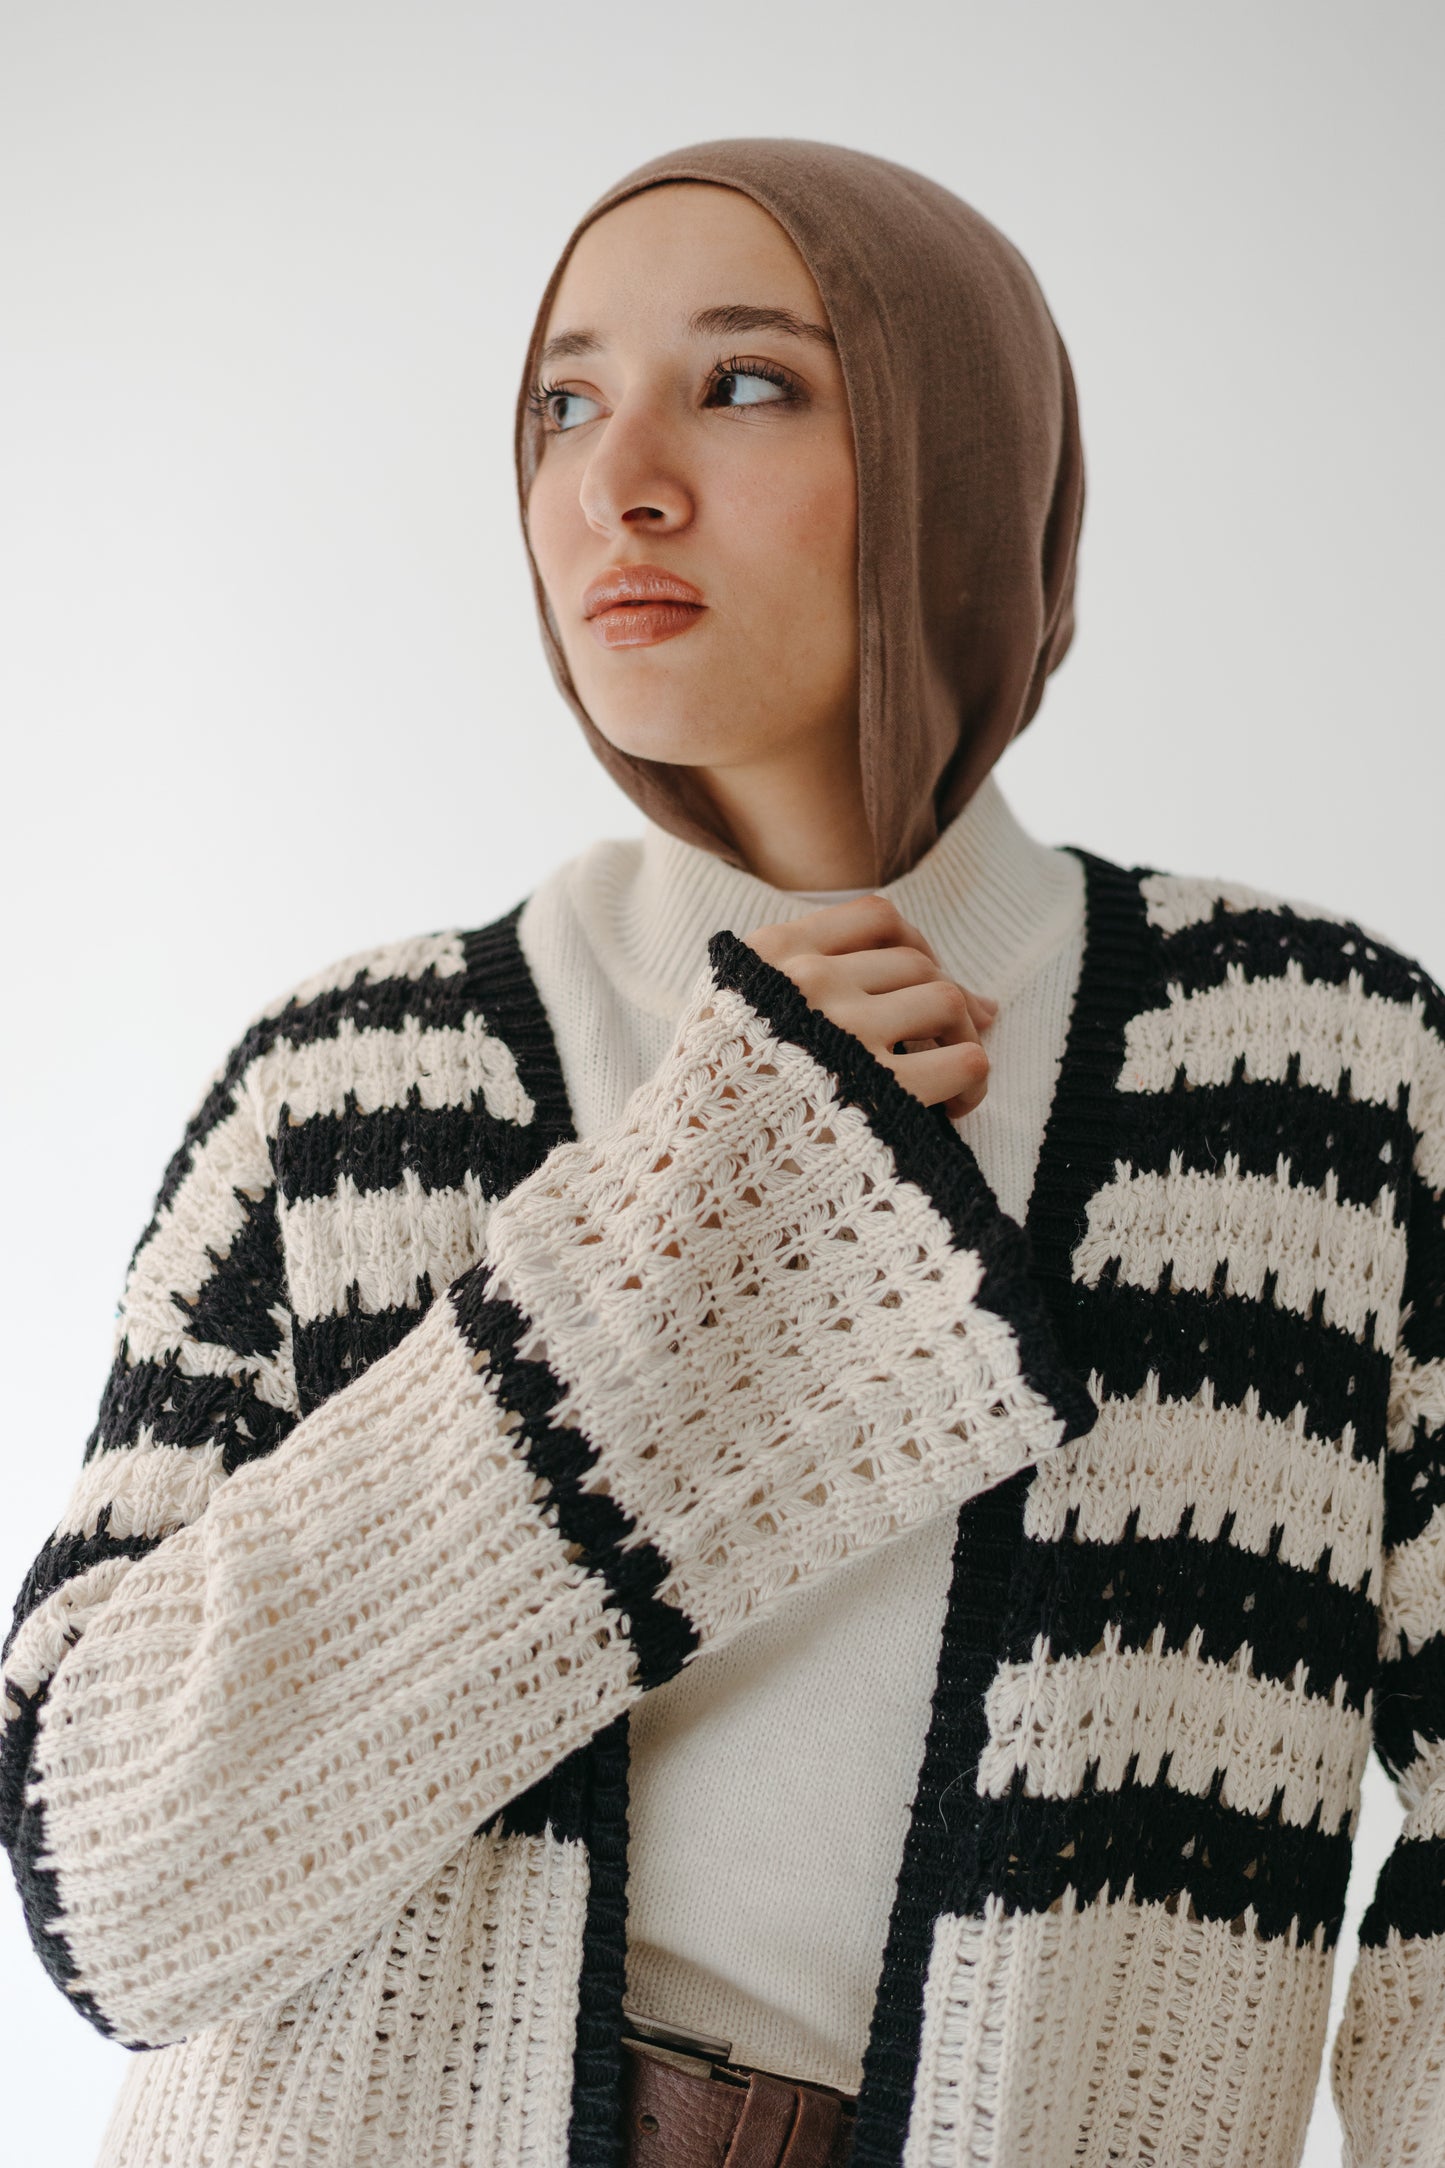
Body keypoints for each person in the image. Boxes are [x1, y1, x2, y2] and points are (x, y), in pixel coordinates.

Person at [1, 137, 1441, 2168]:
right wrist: (688, 1225)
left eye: (745, 383)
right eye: (562, 405)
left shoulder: (1316, 1077)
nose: (619, 478)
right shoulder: (347, 1084)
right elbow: (107, 1885)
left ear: (962, 454)